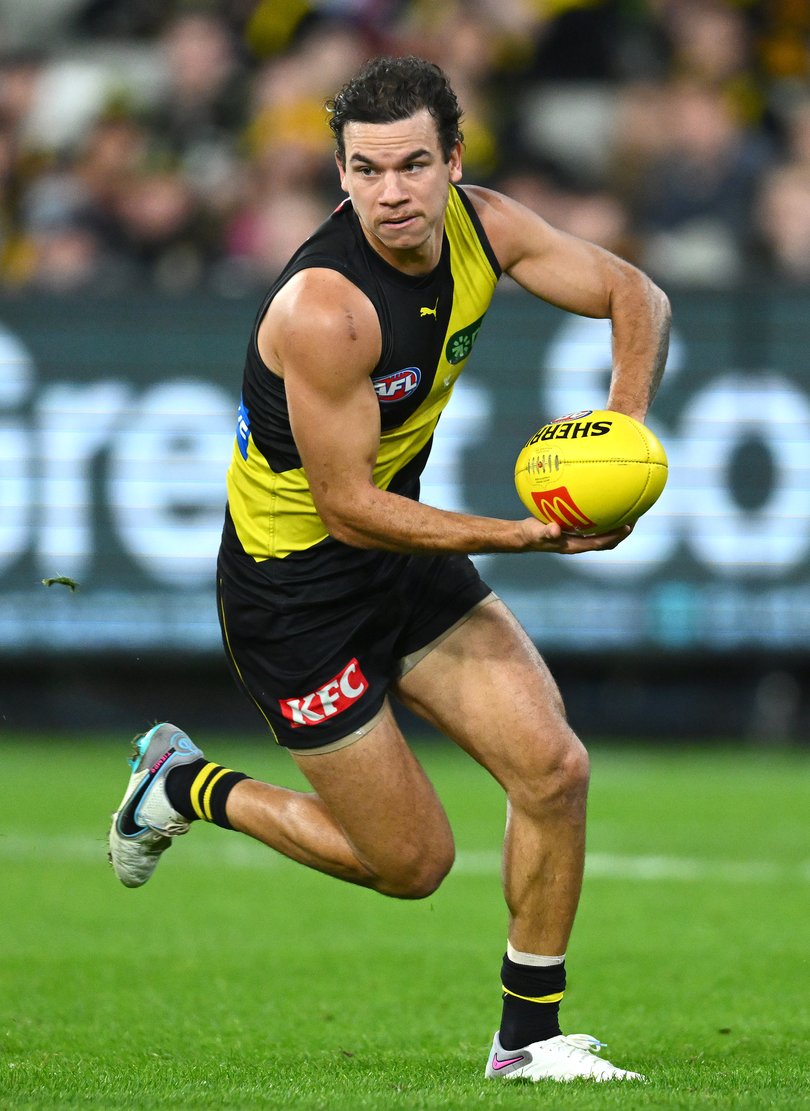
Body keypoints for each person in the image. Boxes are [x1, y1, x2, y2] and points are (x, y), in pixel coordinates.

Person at [108, 55, 670, 1083]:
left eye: (414, 164)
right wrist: (522, 535)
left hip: (401, 559)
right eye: (367, 170)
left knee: (555, 769)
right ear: (340, 175)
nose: (393, 192)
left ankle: (528, 1040)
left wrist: (619, 437)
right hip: (298, 594)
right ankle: (184, 784)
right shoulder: (325, 309)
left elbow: (636, 293)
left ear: (455, 161)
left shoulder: (485, 226)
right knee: (411, 865)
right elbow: (350, 509)